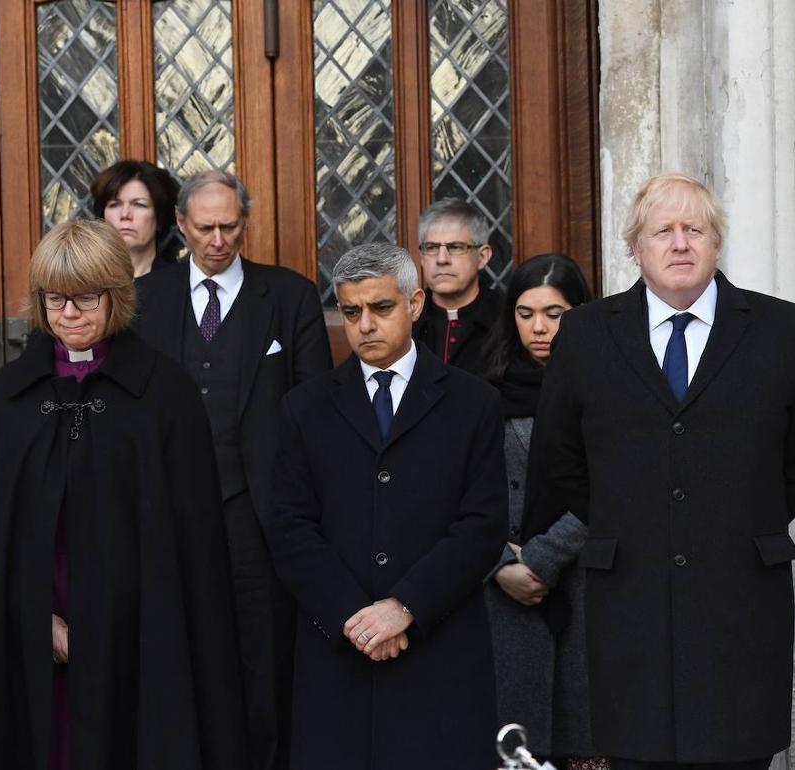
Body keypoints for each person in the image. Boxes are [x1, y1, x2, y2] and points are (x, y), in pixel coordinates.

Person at [524, 172, 795, 769]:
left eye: (695, 229)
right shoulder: (587, 334)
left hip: (739, 594)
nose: (679, 244)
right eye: (661, 231)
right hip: (630, 597)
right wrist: (628, 516)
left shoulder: (782, 330)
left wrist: (741, 514)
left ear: (716, 244)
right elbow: (560, 459)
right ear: (634, 247)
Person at [0, 220, 247, 770]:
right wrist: (36, 616)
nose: (68, 313)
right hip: (24, 638)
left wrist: (101, 624)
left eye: (85, 298)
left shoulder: (164, 395)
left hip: (135, 642)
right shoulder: (12, 398)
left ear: (116, 296)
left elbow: (186, 550)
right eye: (55, 299)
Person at [262, 242, 507, 770]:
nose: (365, 325)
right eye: (352, 312)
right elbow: (289, 527)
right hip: (338, 657)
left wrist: (404, 608)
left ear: (416, 304)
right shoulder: (304, 408)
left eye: (381, 308)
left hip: (438, 651)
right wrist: (355, 617)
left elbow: (483, 526)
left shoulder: (473, 403)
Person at [133, 170, 332, 770]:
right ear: (181, 227)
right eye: (205, 228)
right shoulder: (145, 297)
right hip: (170, 509)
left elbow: (315, 410)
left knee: (262, 659)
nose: (218, 240)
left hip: (260, 515)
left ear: (245, 223)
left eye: (230, 226)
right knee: (179, 652)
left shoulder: (290, 296)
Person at [481, 253, 606, 769]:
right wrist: (498, 562)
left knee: (584, 738)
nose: (539, 328)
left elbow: (614, 486)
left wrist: (543, 557)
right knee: (512, 743)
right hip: (499, 595)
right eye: (526, 312)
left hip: (582, 588)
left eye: (554, 314)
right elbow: (452, 492)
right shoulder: (480, 389)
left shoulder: (608, 387)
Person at [411, 197, 504, 376]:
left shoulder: (507, 318)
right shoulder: (405, 318)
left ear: (482, 257)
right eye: (431, 248)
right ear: (422, 257)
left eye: (455, 247)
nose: (442, 259)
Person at [90, 159, 182, 276]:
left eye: (139, 204)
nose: (125, 214)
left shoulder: (181, 286)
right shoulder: (84, 285)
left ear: (159, 218)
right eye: (114, 205)